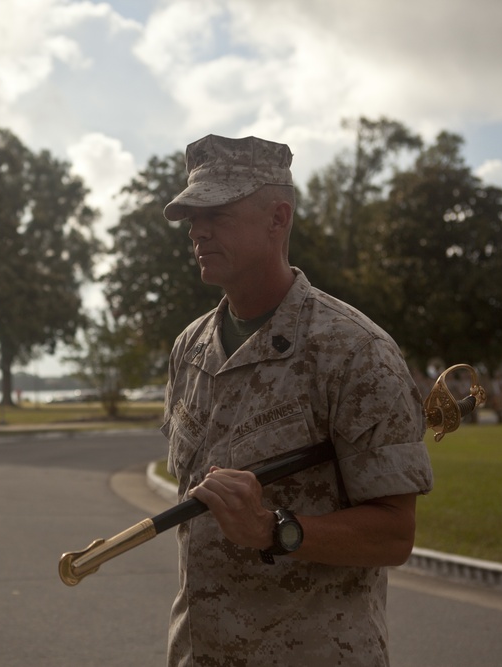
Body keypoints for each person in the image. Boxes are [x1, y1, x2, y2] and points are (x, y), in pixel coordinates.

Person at [160, 135, 433, 667]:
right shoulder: (189, 348)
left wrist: (273, 529)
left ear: (277, 218)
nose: (197, 229)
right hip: (199, 651)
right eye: (192, 215)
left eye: (216, 211)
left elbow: (394, 533)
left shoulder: (354, 351)